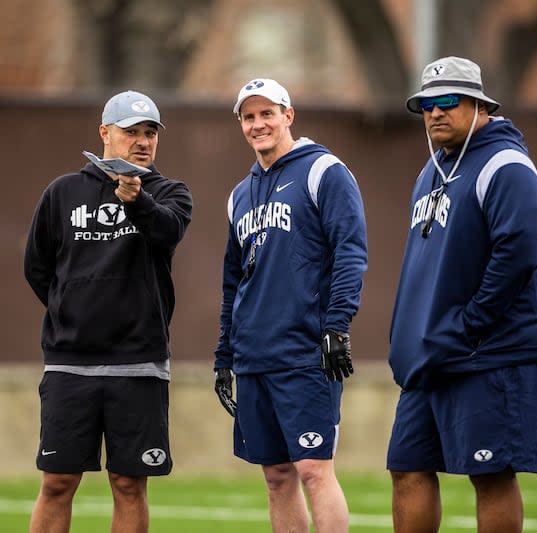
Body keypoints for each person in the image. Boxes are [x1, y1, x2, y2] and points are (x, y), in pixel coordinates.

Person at [387, 56, 537, 533]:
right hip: (434, 354)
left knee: (490, 473)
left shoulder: (506, 164)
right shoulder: (432, 171)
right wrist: (410, 339)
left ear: (479, 105)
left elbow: (519, 253)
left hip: (492, 350)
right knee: (407, 467)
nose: (435, 112)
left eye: (448, 101)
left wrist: (469, 325)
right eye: (426, 105)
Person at [24, 90, 192, 533]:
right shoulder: (63, 192)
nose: (142, 141)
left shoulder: (170, 193)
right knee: (58, 481)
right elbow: (38, 268)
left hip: (138, 363)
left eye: (150, 132)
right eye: (131, 131)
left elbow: (167, 232)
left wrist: (136, 198)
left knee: (129, 483)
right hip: (70, 364)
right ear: (105, 133)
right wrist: (73, 309)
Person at [213, 78, 368, 533]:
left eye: (267, 114)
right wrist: (225, 355)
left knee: (314, 470)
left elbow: (350, 252)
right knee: (276, 476)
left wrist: (337, 326)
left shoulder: (324, 171)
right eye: (249, 116)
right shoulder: (239, 195)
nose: (258, 124)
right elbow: (231, 283)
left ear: (288, 115)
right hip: (254, 355)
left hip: (305, 351)